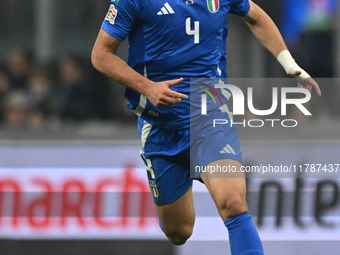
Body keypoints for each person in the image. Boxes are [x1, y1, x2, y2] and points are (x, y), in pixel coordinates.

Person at [91, 0, 321, 254]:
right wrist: (147, 87)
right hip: (160, 125)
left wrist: (291, 66)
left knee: (233, 204)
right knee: (179, 231)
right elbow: (101, 54)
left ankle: (208, 165)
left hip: (209, 117)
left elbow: (255, 16)